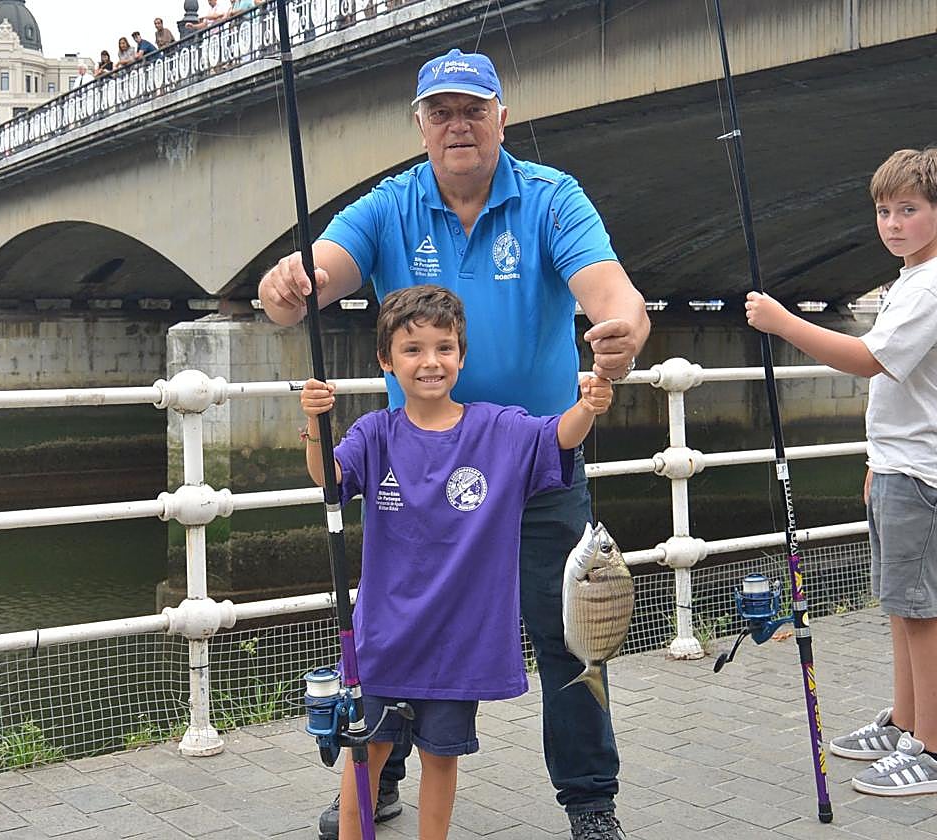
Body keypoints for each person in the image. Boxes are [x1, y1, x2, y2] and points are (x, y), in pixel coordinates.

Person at [258, 47, 649, 840]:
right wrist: (288, 286)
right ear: (420, 126)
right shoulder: (389, 204)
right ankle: (382, 776)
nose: (457, 125)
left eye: (473, 109)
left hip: (536, 460)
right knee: (403, 626)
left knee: (569, 636)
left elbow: (611, 293)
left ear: (501, 116)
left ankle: (589, 801)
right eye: (440, 112)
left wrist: (622, 333)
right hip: (421, 469)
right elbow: (320, 271)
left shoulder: (550, 198)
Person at [300, 285, 614, 840]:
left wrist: (589, 403)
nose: (430, 363)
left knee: (441, 758)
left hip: (460, 641)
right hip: (385, 634)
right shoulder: (376, 433)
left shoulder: (499, 428)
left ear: (462, 357)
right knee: (366, 752)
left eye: (444, 349)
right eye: (412, 349)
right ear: (386, 361)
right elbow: (330, 478)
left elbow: (558, 437)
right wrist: (314, 426)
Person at [745, 147, 937, 797]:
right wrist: (877, 464)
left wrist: (781, 322)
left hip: (929, 475)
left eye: (906, 210)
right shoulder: (914, 278)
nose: (891, 223)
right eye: (883, 211)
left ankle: (934, 755)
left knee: (925, 613)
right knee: (904, 610)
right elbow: (897, 393)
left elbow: (867, 361)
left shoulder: (935, 284)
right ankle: (905, 724)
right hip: (904, 468)